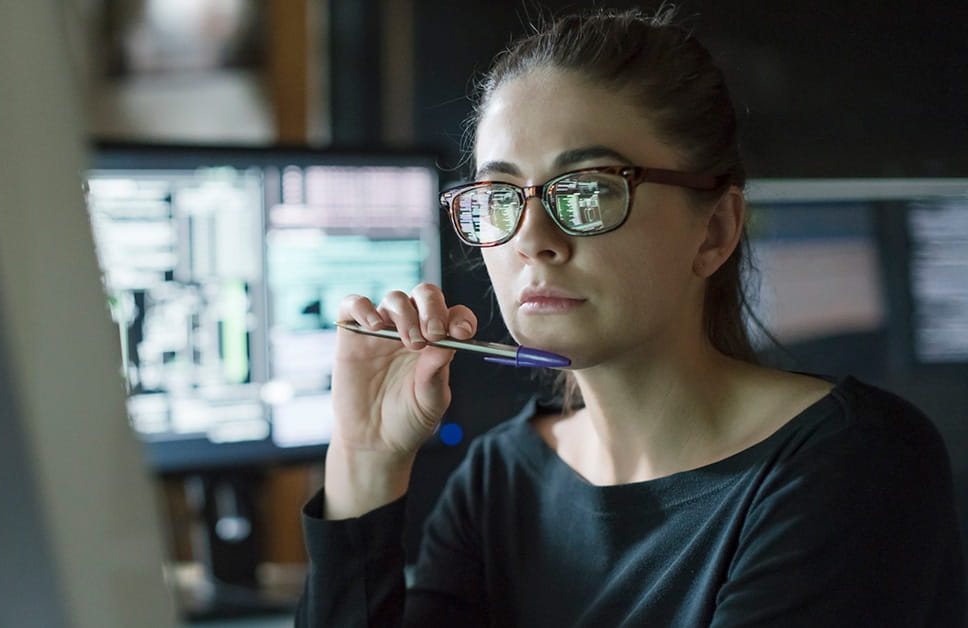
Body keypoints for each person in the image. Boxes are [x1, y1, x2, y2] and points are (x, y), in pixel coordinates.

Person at [296, 7, 966, 627]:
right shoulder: (501, 480)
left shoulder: (855, 466)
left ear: (715, 231)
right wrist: (366, 460)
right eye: (499, 196)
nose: (532, 238)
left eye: (587, 190)